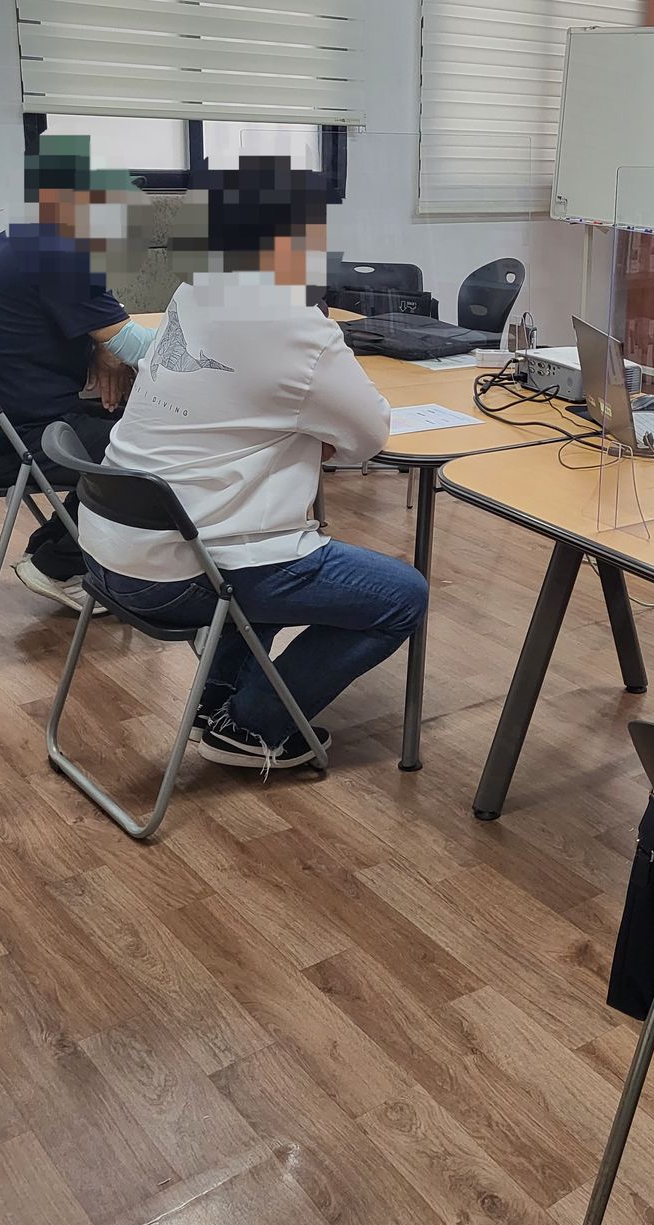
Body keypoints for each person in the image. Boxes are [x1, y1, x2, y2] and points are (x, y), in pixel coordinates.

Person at [78, 157, 428, 773]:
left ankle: (217, 701)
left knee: (263, 557)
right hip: (182, 572)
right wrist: (313, 433)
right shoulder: (297, 327)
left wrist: (295, 428)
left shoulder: (192, 294)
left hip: (110, 550)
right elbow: (369, 437)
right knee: (401, 596)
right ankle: (253, 726)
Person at [0, 135, 155, 611]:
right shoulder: (62, 255)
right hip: (21, 437)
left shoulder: (21, 239)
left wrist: (102, 344)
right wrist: (212, 351)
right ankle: (59, 565)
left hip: (14, 417)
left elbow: (107, 327)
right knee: (156, 454)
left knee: (136, 424)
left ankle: (51, 549)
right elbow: (132, 343)